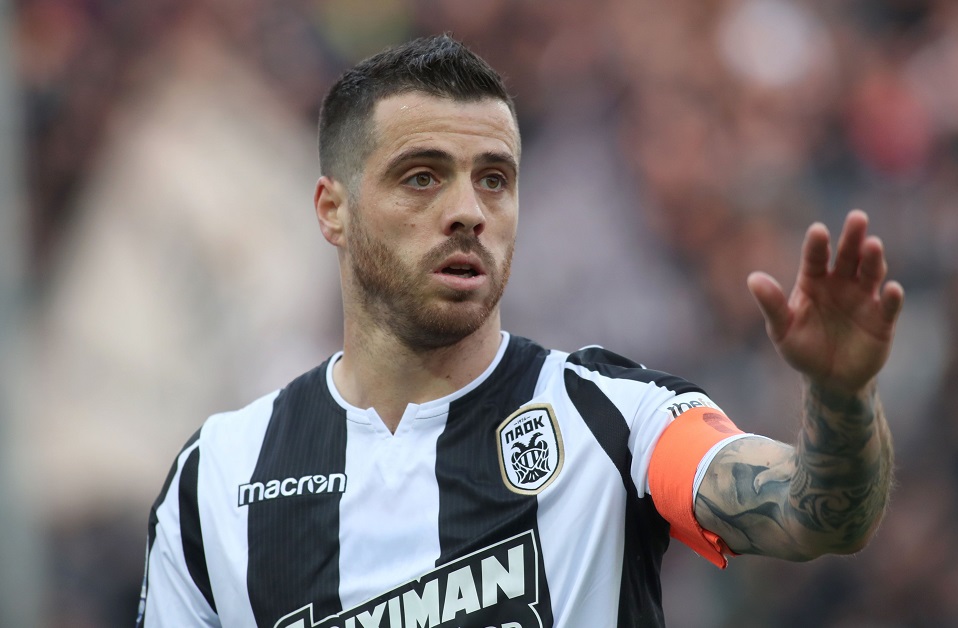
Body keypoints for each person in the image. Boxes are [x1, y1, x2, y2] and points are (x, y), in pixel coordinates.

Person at [136, 35, 904, 628]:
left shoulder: (612, 417)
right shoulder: (216, 480)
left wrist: (843, 395)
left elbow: (815, 514)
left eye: (494, 179)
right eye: (422, 176)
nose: (468, 211)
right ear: (333, 210)